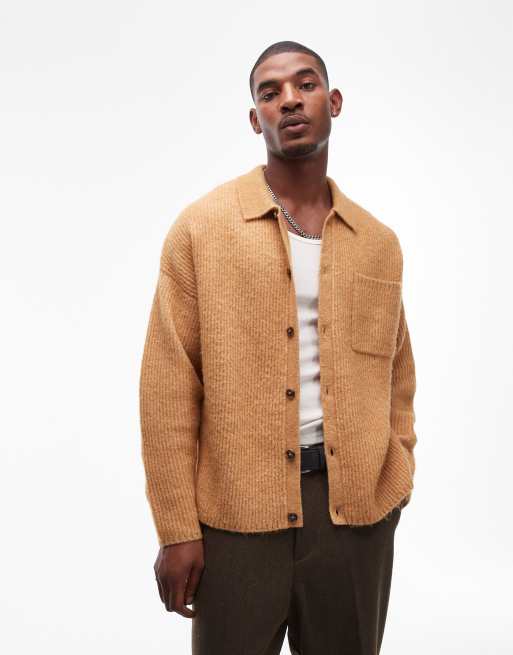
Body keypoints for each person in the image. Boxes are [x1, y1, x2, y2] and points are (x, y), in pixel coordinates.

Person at [139, 40, 417, 655]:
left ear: (333, 101)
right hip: (236, 519)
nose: (289, 100)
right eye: (270, 92)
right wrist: (176, 527)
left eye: (305, 84)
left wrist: (395, 476)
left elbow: (398, 376)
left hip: (355, 520)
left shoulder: (379, 243)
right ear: (254, 118)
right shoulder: (201, 229)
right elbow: (167, 387)